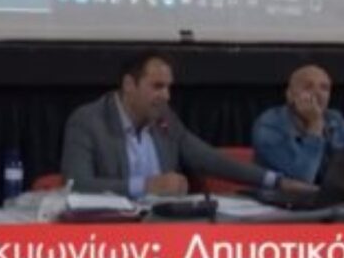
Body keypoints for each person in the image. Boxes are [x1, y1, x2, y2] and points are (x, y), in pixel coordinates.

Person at [60, 51, 309, 198]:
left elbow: (209, 158)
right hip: (111, 238)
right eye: (157, 86)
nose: (166, 96)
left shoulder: (164, 118)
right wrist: (146, 186)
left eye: (169, 87)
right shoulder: (88, 121)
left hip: (163, 230)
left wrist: (276, 181)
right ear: (129, 85)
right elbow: (77, 184)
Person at [253, 65, 344, 188]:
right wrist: (315, 125)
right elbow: (302, 178)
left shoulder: (334, 120)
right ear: (290, 95)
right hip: (281, 201)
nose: (317, 93)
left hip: (328, 199)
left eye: (324, 88)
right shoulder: (269, 125)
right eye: (308, 87)